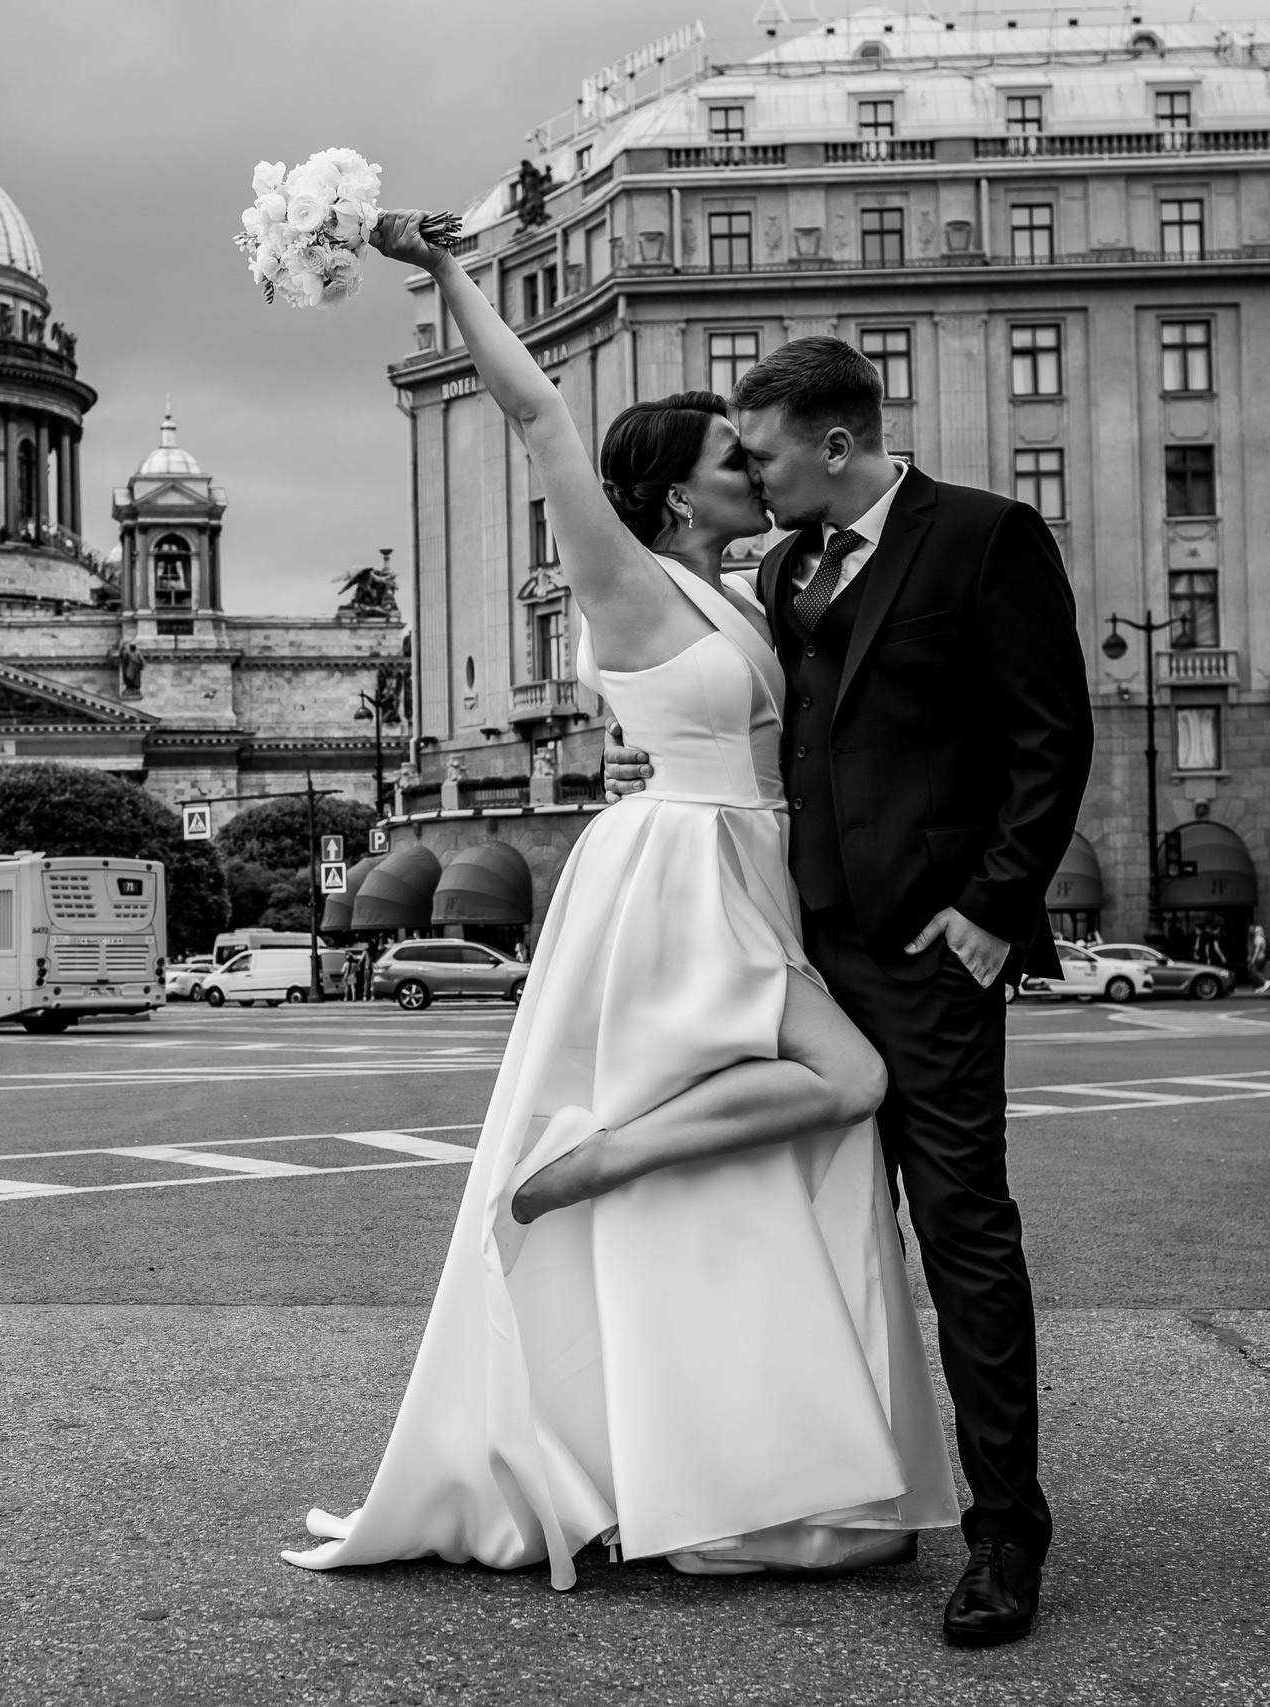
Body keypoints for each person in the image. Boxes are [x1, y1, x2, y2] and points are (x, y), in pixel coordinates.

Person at [285, 216, 956, 1605]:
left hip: (747, 861)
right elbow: (539, 415)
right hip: (684, 869)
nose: (755, 470)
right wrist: (449, 274)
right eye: (731, 461)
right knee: (849, 1080)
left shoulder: (742, 589)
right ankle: (598, 1164)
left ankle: (748, 1457)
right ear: (674, 496)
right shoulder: (626, 581)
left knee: (812, 1127)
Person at [606, 335, 1092, 1643]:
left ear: (835, 443)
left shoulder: (984, 537)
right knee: (818, 1234)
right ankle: (825, 1491)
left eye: (763, 455)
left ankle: (1006, 1535)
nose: (753, 479)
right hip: (799, 945)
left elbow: (1050, 737)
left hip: (928, 953)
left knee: (962, 1231)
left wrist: (992, 909)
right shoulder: (780, 570)